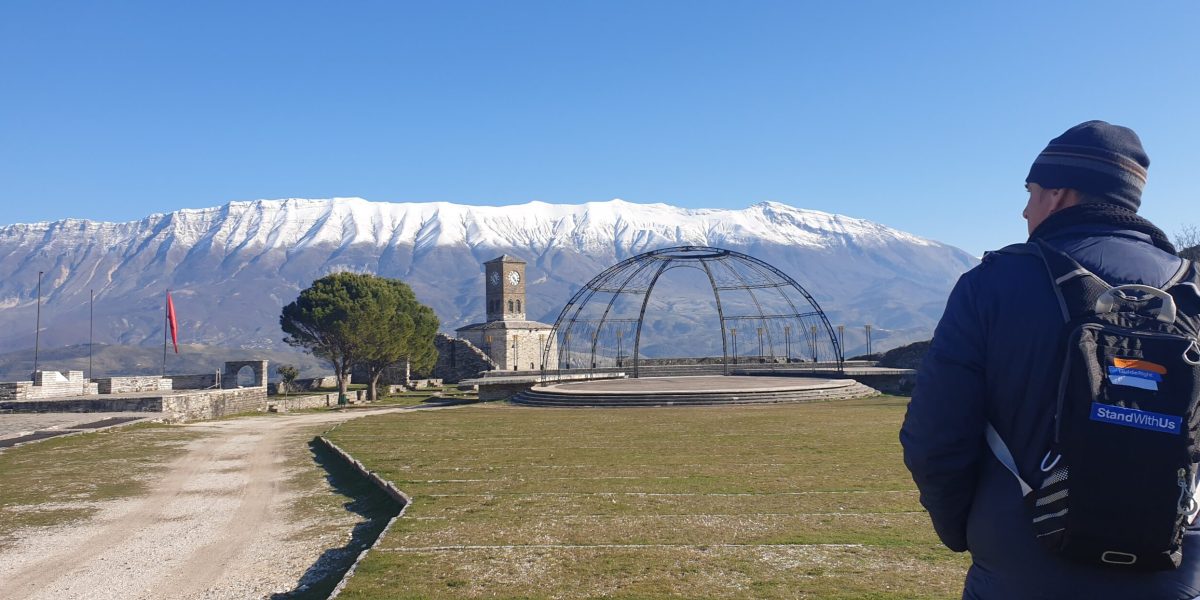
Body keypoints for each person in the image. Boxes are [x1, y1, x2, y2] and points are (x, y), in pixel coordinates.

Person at [900, 120, 1200, 599]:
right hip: (1173, 569)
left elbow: (934, 435)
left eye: (1031, 192)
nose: (1025, 209)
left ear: (1058, 194)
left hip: (1022, 567)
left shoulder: (993, 284)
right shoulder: (1192, 292)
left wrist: (968, 529)